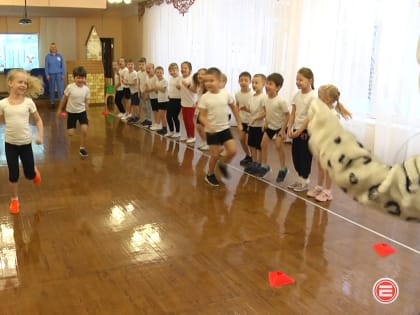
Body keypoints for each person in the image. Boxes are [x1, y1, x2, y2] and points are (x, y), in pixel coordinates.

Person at [0, 69, 44, 214]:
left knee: (29, 175)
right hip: (10, 144)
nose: (24, 85)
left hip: (25, 144)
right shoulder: (3, 104)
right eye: (20, 82)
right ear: (10, 83)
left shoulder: (29, 103)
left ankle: (33, 171)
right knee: (13, 173)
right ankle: (14, 199)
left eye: (25, 82)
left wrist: (40, 136)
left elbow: (38, 120)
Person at [306, 84, 352, 201]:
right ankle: (319, 187)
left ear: (329, 99)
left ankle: (328, 191)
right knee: (320, 167)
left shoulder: (333, 113)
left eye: (320, 96)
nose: (318, 99)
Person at [198, 67, 242, 186]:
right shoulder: (204, 98)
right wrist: (208, 125)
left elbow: (233, 107)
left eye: (211, 80)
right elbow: (201, 116)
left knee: (233, 151)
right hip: (212, 131)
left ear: (219, 81)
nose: (208, 83)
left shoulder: (225, 93)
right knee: (215, 155)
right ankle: (210, 174)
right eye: (206, 81)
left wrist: (238, 122)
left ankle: (222, 165)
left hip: (225, 128)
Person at [287, 67, 317, 192]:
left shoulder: (313, 97)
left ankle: (305, 181)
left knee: (305, 156)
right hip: (295, 129)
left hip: (306, 131)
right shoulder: (296, 95)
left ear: (310, 80)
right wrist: (290, 128)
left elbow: (309, 117)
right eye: (297, 80)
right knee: (296, 155)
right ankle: (299, 179)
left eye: (301, 80)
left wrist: (299, 131)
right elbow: (293, 113)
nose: (298, 82)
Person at [256, 73, 290, 181]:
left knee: (278, 146)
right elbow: (266, 111)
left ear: (278, 87)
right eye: (266, 83)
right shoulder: (265, 99)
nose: (267, 86)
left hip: (279, 127)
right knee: (263, 144)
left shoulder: (281, 101)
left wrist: (283, 130)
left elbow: (287, 115)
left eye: (270, 84)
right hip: (270, 126)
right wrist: (265, 122)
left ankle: (283, 169)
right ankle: (265, 166)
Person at [57, 66, 90, 158]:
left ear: (85, 78)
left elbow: (86, 102)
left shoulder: (86, 89)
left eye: (82, 78)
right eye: (78, 77)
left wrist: (87, 114)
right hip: (71, 112)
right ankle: (73, 128)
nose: (80, 80)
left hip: (82, 112)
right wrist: (60, 109)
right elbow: (64, 99)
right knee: (70, 133)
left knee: (84, 130)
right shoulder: (70, 87)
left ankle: (82, 147)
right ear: (74, 78)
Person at [239, 74, 266, 175]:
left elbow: (265, 112)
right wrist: (244, 108)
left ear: (263, 84)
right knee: (252, 144)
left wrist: (255, 118)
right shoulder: (252, 97)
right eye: (253, 82)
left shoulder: (263, 97)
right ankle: (254, 163)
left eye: (256, 83)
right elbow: (251, 109)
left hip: (259, 126)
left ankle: (259, 164)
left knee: (258, 146)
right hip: (252, 126)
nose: (254, 85)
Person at [235, 71, 253, 166]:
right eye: (241, 80)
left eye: (246, 80)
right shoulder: (237, 94)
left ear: (250, 82)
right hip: (242, 121)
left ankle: (253, 157)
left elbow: (256, 109)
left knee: (248, 140)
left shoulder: (253, 94)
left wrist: (247, 109)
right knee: (241, 139)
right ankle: (248, 155)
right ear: (238, 81)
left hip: (251, 121)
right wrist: (238, 119)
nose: (243, 82)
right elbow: (237, 106)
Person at [179, 61, 197, 143]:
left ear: (190, 70)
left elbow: (195, 90)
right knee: (185, 120)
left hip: (190, 103)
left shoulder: (192, 79)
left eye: (185, 68)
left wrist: (187, 85)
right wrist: (179, 87)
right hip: (183, 102)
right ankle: (188, 136)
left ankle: (193, 136)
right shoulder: (181, 78)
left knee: (189, 120)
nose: (183, 69)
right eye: (182, 68)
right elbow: (182, 89)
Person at [44, 42, 65, 109]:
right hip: (51, 75)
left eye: (54, 47)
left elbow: (63, 66)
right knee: (52, 89)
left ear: (56, 48)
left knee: (60, 89)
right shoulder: (47, 56)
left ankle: (61, 103)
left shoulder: (60, 56)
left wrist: (63, 74)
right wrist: (47, 74)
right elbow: (46, 67)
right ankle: (52, 103)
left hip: (59, 74)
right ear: (50, 48)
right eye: (52, 47)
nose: (53, 48)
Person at [166, 62, 182, 138]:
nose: (172, 72)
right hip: (171, 99)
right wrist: (169, 95)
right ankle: (171, 131)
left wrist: (179, 87)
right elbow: (171, 88)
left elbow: (181, 89)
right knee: (168, 116)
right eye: (170, 70)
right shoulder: (171, 78)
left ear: (178, 70)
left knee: (175, 116)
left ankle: (178, 132)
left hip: (178, 100)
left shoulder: (180, 78)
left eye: (174, 70)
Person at [138, 57, 152, 127]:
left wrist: (147, 93)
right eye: (140, 64)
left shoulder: (147, 73)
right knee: (143, 106)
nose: (141, 66)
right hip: (142, 91)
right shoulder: (139, 72)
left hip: (147, 92)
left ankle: (149, 120)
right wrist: (139, 91)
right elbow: (139, 82)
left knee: (148, 106)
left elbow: (148, 84)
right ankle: (146, 118)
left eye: (142, 64)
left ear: (145, 64)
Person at [125, 60, 140, 124]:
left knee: (136, 105)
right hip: (132, 91)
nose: (130, 66)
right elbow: (125, 81)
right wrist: (126, 82)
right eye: (129, 64)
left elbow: (135, 83)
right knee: (133, 104)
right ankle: (133, 116)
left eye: (131, 64)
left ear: (134, 66)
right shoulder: (127, 73)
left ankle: (137, 117)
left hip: (136, 91)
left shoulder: (135, 73)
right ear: (127, 65)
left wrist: (127, 83)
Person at [155, 66, 169, 135]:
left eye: (160, 72)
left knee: (163, 116)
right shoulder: (157, 81)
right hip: (160, 100)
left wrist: (157, 87)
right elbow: (157, 91)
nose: (159, 74)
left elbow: (164, 90)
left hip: (165, 101)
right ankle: (163, 128)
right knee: (161, 115)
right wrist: (156, 89)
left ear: (163, 72)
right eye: (157, 72)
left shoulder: (165, 81)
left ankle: (165, 129)